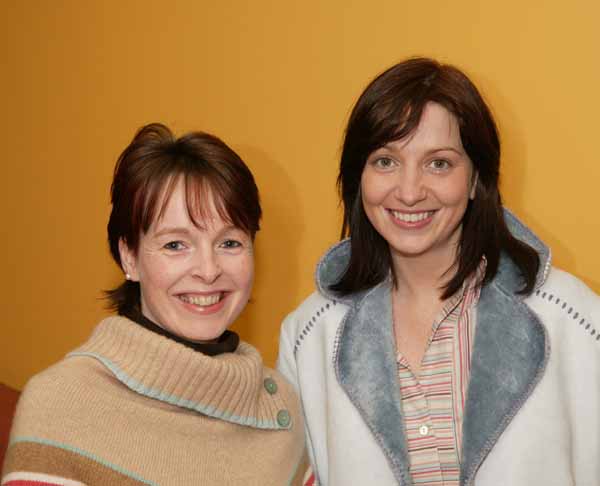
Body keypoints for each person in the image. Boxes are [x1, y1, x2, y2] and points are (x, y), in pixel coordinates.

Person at [277, 58, 600, 485]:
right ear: (358, 178)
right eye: (385, 161)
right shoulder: (308, 335)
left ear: (474, 180)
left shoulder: (575, 319)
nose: (410, 192)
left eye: (439, 163)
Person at [3, 123, 309, 485]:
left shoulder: (280, 408)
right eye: (175, 245)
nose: (209, 271)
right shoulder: (60, 406)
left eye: (230, 243)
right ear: (129, 257)